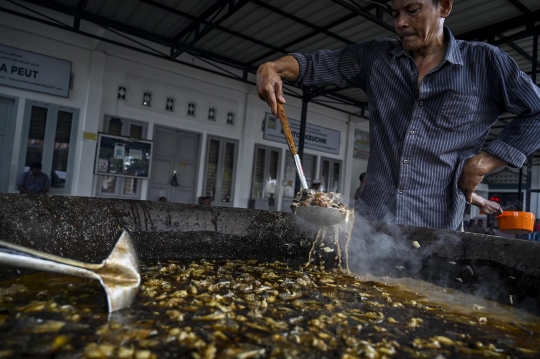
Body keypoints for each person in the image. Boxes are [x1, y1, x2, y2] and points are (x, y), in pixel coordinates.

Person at [256, 0, 540, 230]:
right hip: (373, 224)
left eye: (412, 10)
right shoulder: (375, 58)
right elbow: (312, 65)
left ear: (444, 7)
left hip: (436, 226)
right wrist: (272, 67)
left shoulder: (485, 63)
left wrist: (483, 162)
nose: (400, 23)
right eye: (395, 13)